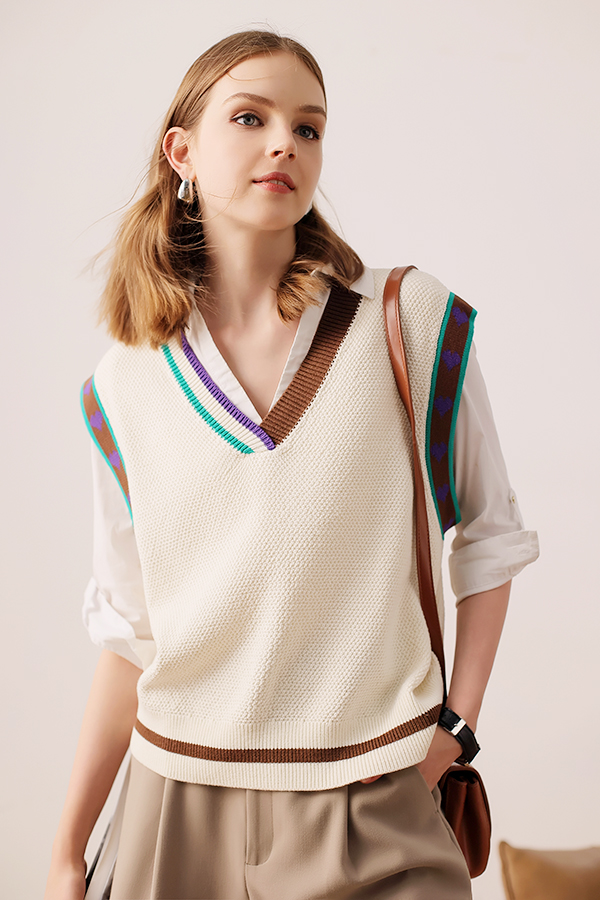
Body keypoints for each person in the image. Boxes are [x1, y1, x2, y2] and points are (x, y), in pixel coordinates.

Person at [45, 30, 539, 900]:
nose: (285, 143)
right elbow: (130, 634)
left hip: (376, 791)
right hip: (174, 807)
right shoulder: (122, 384)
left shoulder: (408, 320)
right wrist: (65, 852)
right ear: (181, 152)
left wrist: (453, 733)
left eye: (308, 128)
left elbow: (490, 541)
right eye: (251, 118)